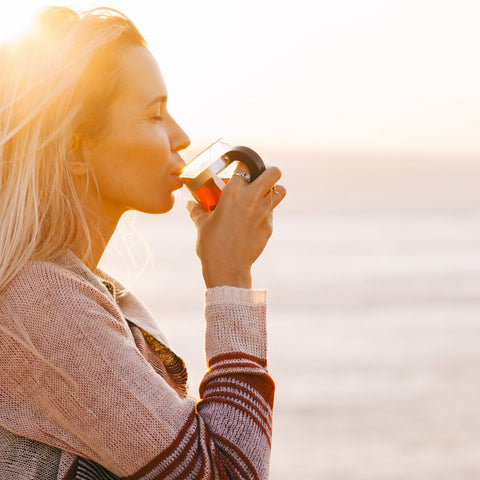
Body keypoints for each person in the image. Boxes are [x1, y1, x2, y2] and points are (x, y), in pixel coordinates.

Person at [0, 6, 286, 480]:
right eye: (154, 115)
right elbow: (226, 475)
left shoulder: (80, 288)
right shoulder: (42, 300)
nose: (181, 136)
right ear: (74, 148)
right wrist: (230, 278)